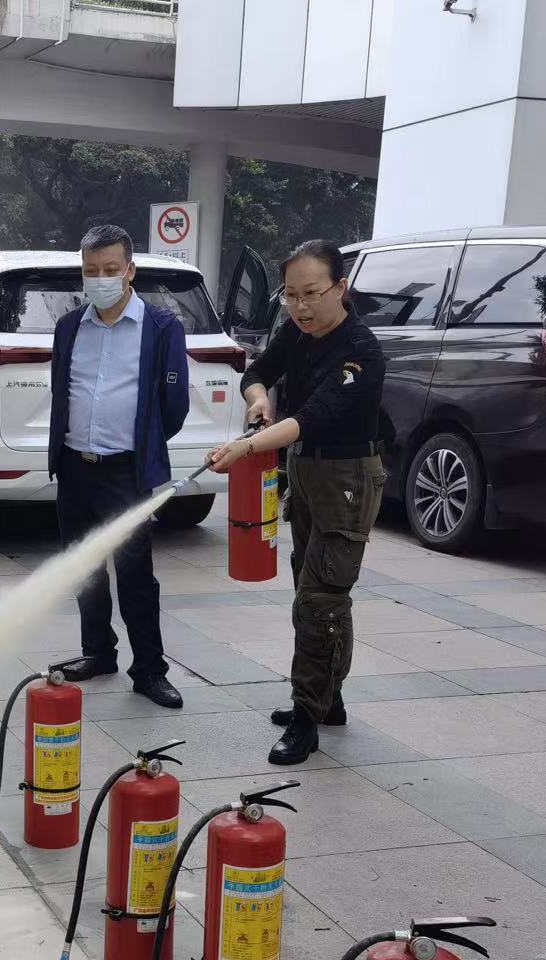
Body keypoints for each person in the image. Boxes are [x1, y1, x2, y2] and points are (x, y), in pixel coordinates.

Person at [207, 240, 386, 765]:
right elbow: (257, 371)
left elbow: (314, 416)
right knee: (315, 588)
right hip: (305, 473)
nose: (301, 307)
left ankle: (306, 718)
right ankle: (329, 699)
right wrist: (259, 398)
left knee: (319, 599)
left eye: (311, 294)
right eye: (290, 295)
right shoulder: (296, 331)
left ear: (340, 288)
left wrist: (246, 448)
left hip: (347, 479)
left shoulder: (361, 350)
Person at [48, 225, 188, 709]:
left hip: (126, 472)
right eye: (91, 270)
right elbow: (62, 391)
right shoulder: (70, 327)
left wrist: (143, 446)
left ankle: (149, 670)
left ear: (130, 270)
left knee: (135, 576)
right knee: (84, 568)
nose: (101, 278)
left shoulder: (161, 328)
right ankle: (98, 653)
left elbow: (173, 406)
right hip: (74, 467)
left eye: (111, 269)